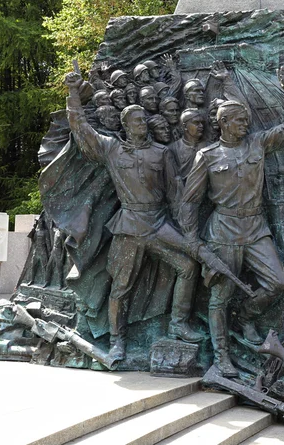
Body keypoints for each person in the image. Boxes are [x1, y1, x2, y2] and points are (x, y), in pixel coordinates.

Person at [64, 71, 235, 365]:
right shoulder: (111, 148)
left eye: (145, 120)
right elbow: (81, 129)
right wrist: (73, 95)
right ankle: (118, 342)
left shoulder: (161, 153)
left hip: (158, 224)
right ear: (126, 125)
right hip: (129, 227)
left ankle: (178, 323)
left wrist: (189, 233)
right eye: (138, 121)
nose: (143, 124)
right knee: (122, 286)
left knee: (187, 265)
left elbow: (176, 195)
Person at [179, 67, 284, 377]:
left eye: (246, 120)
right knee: (220, 296)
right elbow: (190, 201)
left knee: (278, 283)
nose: (246, 124)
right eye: (239, 120)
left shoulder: (257, 143)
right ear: (222, 124)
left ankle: (245, 316)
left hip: (255, 228)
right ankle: (221, 356)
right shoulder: (206, 155)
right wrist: (193, 241)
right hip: (224, 231)